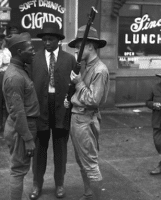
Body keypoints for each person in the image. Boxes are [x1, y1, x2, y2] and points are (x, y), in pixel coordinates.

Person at [30, 22, 76, 199]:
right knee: (39, 149)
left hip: (61, 110)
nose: (46, 42)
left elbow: (75, 85)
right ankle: (37, 184)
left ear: (59, 40)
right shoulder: (34, 58)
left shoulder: (69, 59)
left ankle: (59, 184)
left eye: (50, 39)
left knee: (60, 150)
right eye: (44, 39)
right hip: (40, 109)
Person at [64, 25, 110, 200]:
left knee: (90, 164)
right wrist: (71, 98)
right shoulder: (85, 65)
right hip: (77, 118)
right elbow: (81, 94)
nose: (77, 49)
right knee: (81, 162)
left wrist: (79, 83)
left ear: (90, 46)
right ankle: (88, 193)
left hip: (85, 120)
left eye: (79, 46)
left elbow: (93, 100)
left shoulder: (100, 69)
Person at [3, 32, 39, 200]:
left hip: (25, 126)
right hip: (21, 129)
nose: (33, 52)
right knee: (18, 170)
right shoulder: (15, 77)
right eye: (30, 49)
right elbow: (18, 112)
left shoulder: (20, 70)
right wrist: (28, 138)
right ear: (19, 51)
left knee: (20, 168)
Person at [146, 65, 161, 175]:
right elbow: (147, 102)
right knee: (159, 143)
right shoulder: (154, 87)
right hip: (157, 120)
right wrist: (153, 104)